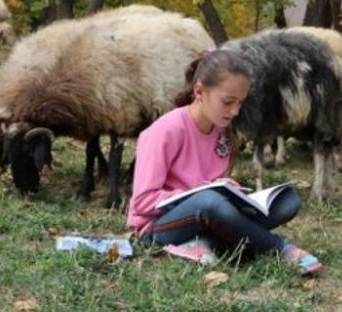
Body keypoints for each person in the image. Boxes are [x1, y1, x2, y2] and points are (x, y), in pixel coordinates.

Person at [127, 49, 322, 274]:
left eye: (240, 102)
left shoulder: (221, 131)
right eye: (228, 102)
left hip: (206, 213)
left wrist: (228, 188)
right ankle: (280, 249)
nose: (235, 111)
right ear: (200, 91)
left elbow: (209, 182)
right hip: (156, 228)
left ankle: (202, 244)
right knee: (209, 202)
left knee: (287, 201)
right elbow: (143, 202)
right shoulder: (164, 131)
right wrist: (202, 193)